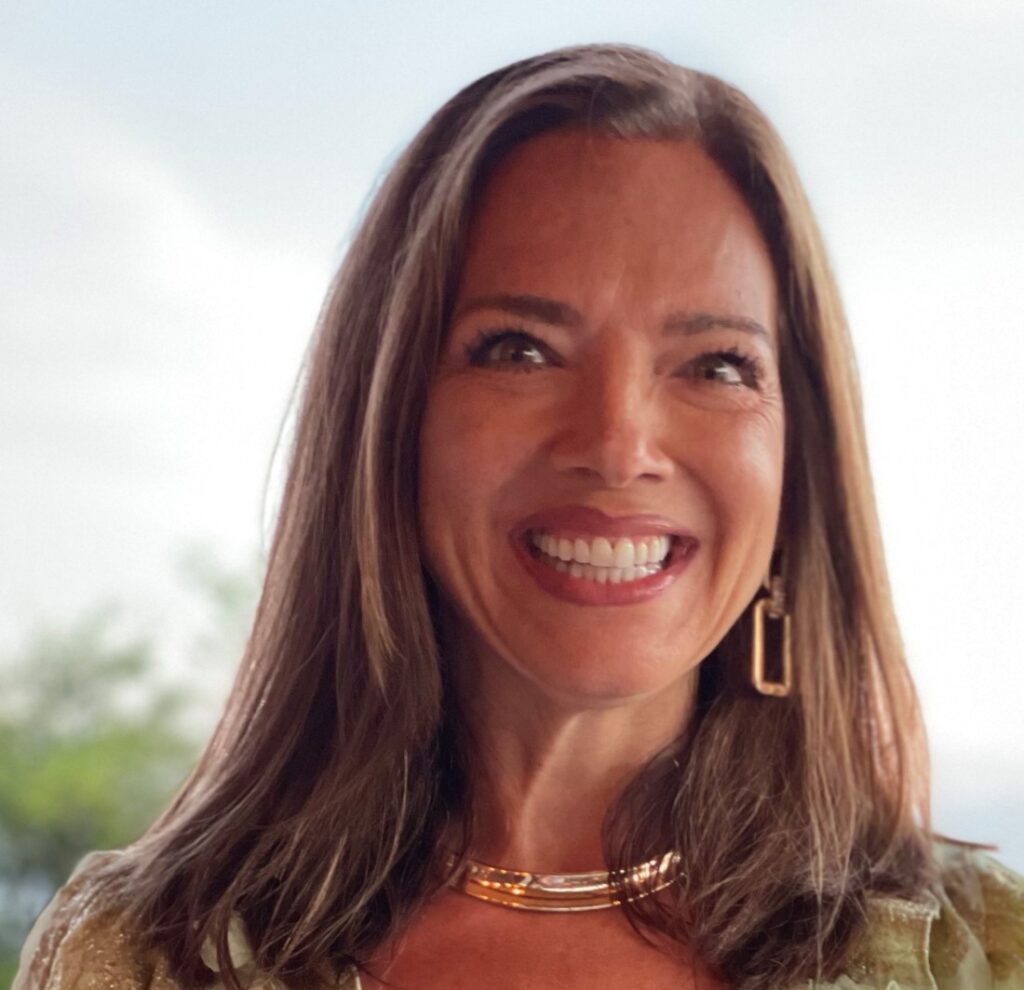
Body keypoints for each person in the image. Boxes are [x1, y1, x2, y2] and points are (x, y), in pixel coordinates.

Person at [13, 42, 1024, 990]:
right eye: (519, 350)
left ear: (799, 461)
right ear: (390, 421)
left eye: (715, 365)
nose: (618, 444)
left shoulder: (985, 951)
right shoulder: (146, 955)